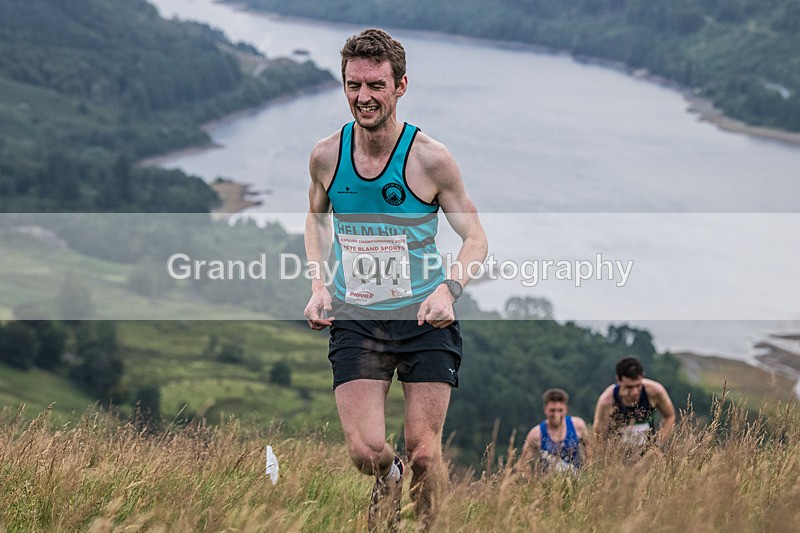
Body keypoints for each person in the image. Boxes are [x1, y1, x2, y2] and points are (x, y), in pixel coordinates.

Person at [303, 28, 488, 532]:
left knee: (426, 454)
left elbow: (476, 239)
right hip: (357, 318)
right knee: (365, 452)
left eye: (375, 85)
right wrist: (320, 286)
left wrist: (449, 289)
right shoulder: (326, 156)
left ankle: (427, 527)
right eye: (353, 85)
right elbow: (315, 221)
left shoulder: (430, 159)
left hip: (424, 320)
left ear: (400, 86)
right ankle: (389, 475)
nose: (363, 97)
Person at [593, 357, 676, 448]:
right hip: (618, 454)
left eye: (638, 385)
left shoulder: (655, 391)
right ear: (619, 380)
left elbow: (670, 416)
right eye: (629, 387)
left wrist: (657, 444)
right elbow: (598, 433)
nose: (635, 392)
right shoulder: (606, 401)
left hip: (648, 452)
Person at [519, 388, 590, 475]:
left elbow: (591, 452)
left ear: (566, 409)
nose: (556, 414)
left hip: (577, 482)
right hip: (549, 484)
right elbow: (523, 462)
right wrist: (532, 482)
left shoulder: (578, 425)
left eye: (560, 410)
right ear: (545, 410)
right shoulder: (536, 434)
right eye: (552, 410)